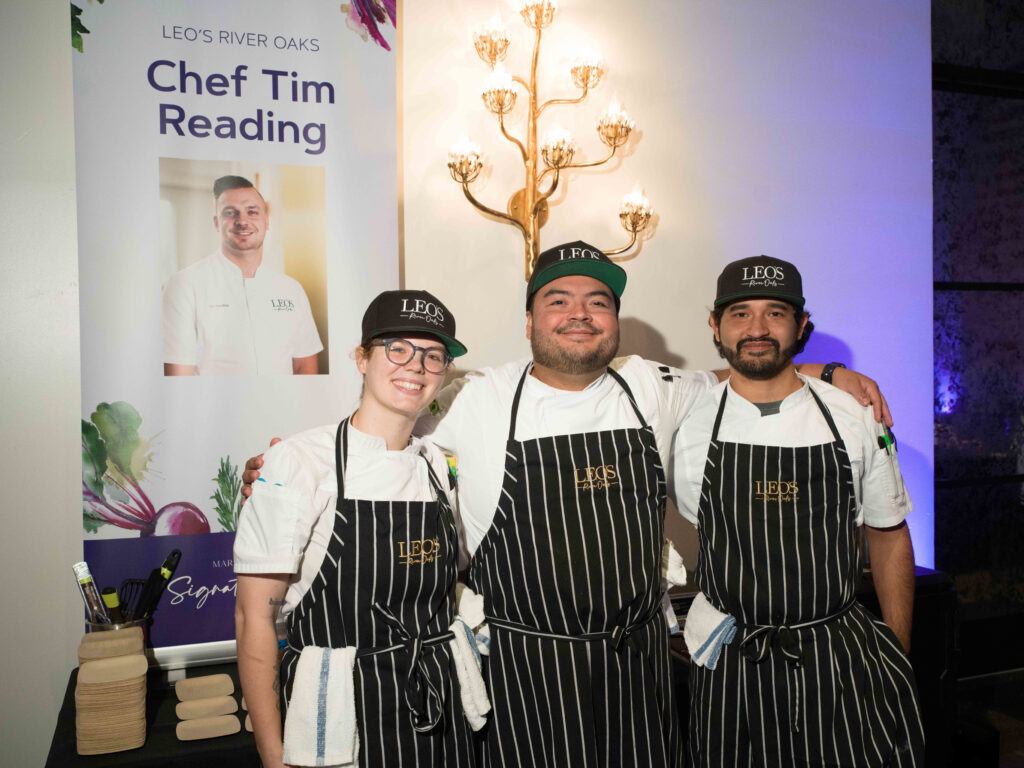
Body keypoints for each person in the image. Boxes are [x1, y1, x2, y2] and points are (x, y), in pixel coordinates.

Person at [242, 240, 890, 767]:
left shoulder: (650, 384)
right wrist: (290, 470)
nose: (579, 314)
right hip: (526, 674)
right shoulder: (477, 398)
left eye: (597, 301)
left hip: (639, 670)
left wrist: (831, 373)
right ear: (529, 322)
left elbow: (745, 372)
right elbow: (385, 429)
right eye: (558, 299)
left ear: (615, 321)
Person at [673, 256, 925, 766]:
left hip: (839, 654)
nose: (757, 329)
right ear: (716, 326)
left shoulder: (853, 415)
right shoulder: (684, 416)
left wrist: (897, 654)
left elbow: (888, 534)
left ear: (801, 325)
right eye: (740, 314)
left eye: (776, 313)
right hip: (730, 660)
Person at [233, 290, 480, 768]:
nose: (416, 366)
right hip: (340, 722)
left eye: (433, 355)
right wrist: (272, 756)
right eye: (397, 348)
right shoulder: (298, 462)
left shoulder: (439, 465)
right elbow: (252, 619)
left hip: (440, 709)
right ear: (361, 358)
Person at [163, 175, 323, 376]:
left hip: (282, 397)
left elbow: (305, 367)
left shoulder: (291, 289)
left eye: (252, 212)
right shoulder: (184, 284)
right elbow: (179, 377)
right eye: (230, 213)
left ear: (266, 221)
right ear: (216, 223)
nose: (242, 221)